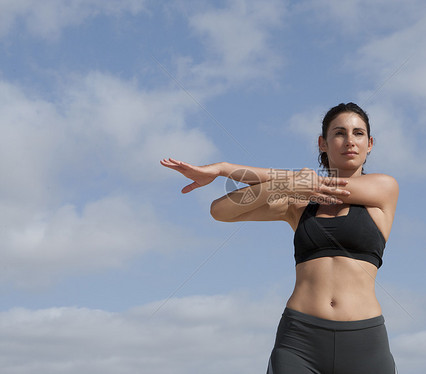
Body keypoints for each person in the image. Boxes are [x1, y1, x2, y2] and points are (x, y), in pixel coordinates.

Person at [161, 102, 399, 374]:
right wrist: (286, 185)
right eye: (339, 133)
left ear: (370, 144)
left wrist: (224, 169)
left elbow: (323, 185)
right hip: (300, 340)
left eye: (358, 133)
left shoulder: (384, 189)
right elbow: (221, 210)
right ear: (323, 143)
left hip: (364, 341)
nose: (349, 141)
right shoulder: (298, 205)